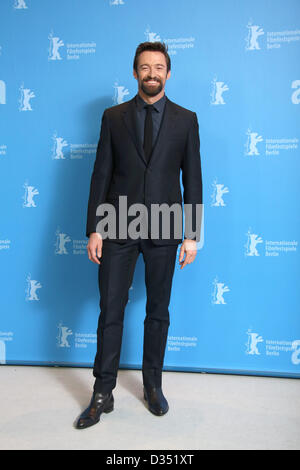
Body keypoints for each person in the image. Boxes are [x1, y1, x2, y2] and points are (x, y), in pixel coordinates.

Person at [75, 41, 203, 429]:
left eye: (159, 67)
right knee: (110, 309)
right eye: (145, 67)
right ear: (135, 73)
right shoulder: (113, 117)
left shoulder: (186, 119)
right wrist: (94, 228)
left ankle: (152, 387)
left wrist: (191, 234)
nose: (152, 73)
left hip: (165, 226)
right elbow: (101, 174)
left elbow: (193, 179)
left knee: (157, 313)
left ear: (168, 73)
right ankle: (102, 392)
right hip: (117, 224)